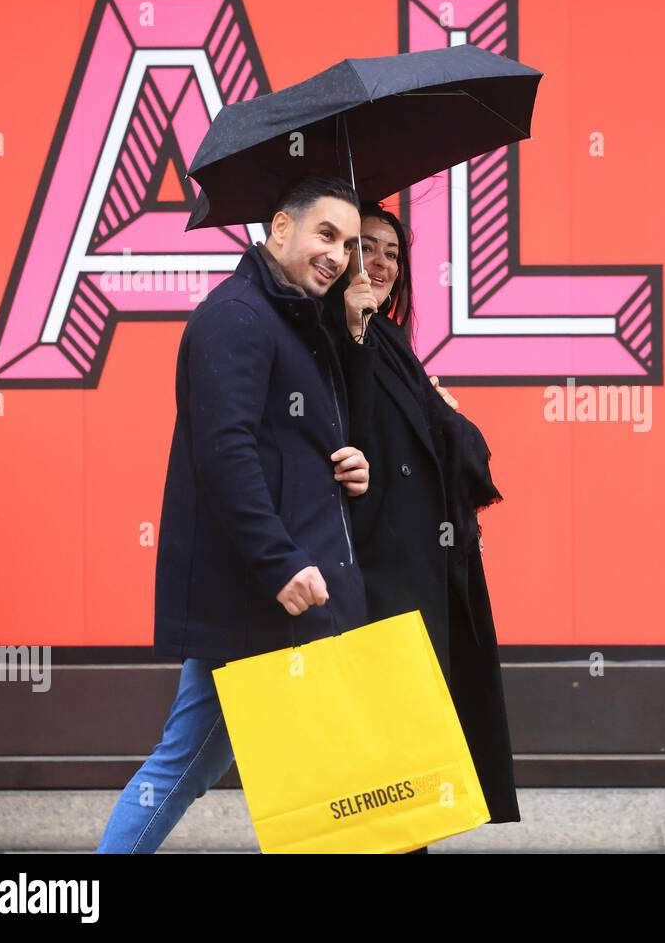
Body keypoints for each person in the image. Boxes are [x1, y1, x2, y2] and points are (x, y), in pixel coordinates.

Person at [97, 175, 376, 853]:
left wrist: (343, 465)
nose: (339, 255)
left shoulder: (289, 320)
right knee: (311, 775)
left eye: (348, 243)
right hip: (259, 598)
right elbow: (225, 453)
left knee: (193, 764)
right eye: (326, 234)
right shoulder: (238, 317)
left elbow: (276, 445)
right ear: (280, 228)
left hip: (273, 598)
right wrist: (280, 561)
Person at [321, 201, 521, 827]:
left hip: (421, 570)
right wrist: (353, 330)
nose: (379, 262)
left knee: (410, 765)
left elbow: (453, 450)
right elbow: (341, 426)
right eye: (366, 247)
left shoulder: (390, 338)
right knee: (379, 770)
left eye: (391, 252)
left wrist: (439, 407)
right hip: (376, 574)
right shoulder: (331, 330)